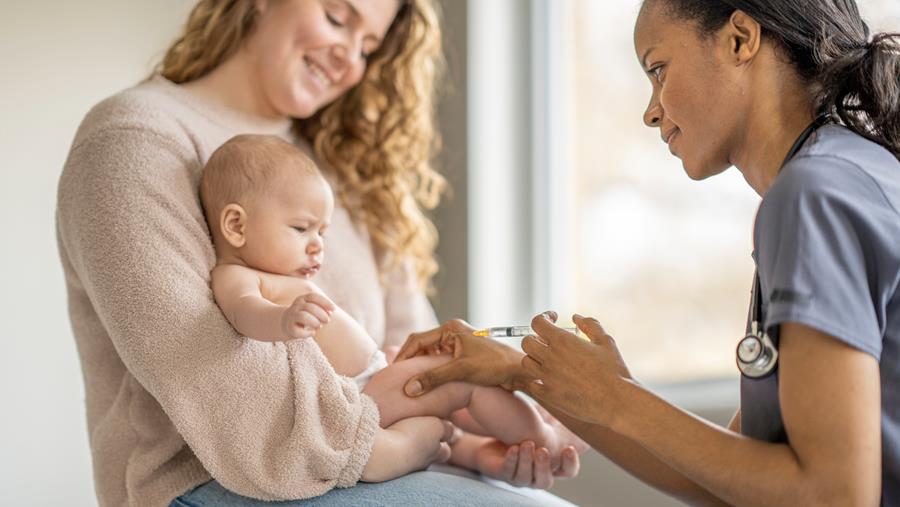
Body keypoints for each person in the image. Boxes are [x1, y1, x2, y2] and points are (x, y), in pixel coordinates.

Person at [55, 0, 578, 505]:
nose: (349, 58)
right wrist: (397, 446)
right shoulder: (138, 140)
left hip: (367, 451)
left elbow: (411, 352)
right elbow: (243, 412)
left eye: (368, 46)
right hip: (219, 481)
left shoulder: (342, 171)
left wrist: (467, 449)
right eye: (336, 17)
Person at [398, 0, 900, 505]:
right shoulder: (843, 175)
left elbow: (835, 495)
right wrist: (523, 371)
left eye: (658, 69)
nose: (651, 110)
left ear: (740, 39)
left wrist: (617, 397)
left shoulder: (813, 195)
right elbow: (726, 480)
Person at [201, 134, 584, 469]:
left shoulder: (281, 277)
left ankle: (501, 439)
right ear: (236, 226)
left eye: (322, 231)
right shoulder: (236, 276)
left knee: (454, 397)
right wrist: (282, 320)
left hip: (370, 379)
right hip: (357, 395)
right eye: (301, 228)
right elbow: (244, 312)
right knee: (463, 377)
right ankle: (546, 441)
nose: (318, 244)